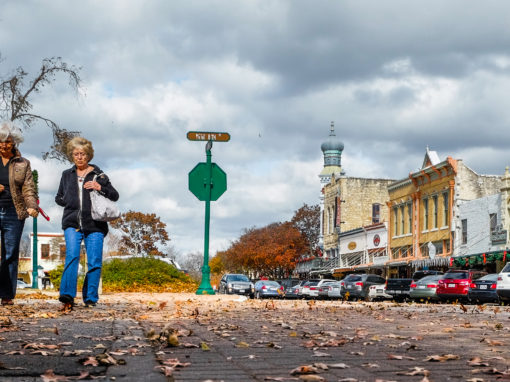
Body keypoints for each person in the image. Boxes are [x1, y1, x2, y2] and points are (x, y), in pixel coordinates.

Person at [55, 137, 119, 310]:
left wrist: (100, 187)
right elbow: (58, 197)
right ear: (72, 156)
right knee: (72, 256)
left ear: (88, 155)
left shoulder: (99, 174)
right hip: (72, 223)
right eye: (76, 154)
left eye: (82, 154)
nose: (79, 157)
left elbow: (114, 195)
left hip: (95, 224)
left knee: (94, 261)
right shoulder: (66, 175)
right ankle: (67, 295)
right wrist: (69, 201)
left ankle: (90, 298)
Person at [0, 121, 39, 306]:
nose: (4, 145)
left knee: (10, 254)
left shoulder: (23, 163)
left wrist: (32, 206)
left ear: (14, 142)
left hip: (13, 213)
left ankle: (7, 295)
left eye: (7, 141)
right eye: (0, 141)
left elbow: (29, 189)